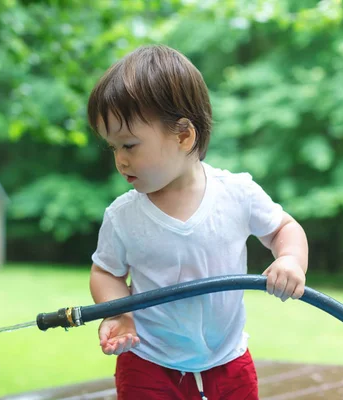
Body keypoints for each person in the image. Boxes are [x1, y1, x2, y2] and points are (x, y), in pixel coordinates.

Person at [87, 44, 309, 399]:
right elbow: (106, 272)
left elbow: (284, 228)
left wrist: (290, 259)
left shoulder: (237, 193)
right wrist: (120, 315)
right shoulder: (123, 216)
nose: (120, 161)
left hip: (228, 360)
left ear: (183, 135)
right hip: (148, 363)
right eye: (112, 148)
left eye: (129, 145)